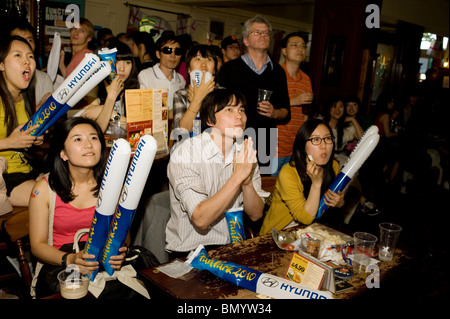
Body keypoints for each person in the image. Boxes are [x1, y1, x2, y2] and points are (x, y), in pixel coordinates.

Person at [28, 117, 127, 298]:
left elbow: (120, 234)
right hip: (61, 264)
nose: (88, 144)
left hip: (102, 265)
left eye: (94, 138)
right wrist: (70, 259)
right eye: (78, 139)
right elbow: (37, 246)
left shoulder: (114, 186)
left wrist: (118, 252)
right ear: (63, 153)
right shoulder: (43, 189)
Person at [166, 88, 268, 257]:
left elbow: (256, 214)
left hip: (233, 246)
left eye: (241, 110)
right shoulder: (187, 154)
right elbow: (201, 219)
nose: (239, 116)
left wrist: (247, 182)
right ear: (209, 120)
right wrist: (238, 177)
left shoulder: (245, 152)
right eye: (229, 109)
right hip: (192, 251)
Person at [218, 15, 290, 174]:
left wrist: (274, 112)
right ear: (246, 40)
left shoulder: (277, 71)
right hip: (234, 139)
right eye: (257, 32)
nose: (263, 36)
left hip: (266, 139)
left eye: (266, 33)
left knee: (261, 190)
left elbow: (286, 112)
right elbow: (216, 108)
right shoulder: (230, 69)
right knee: (231, 186)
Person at [259, 119, 344, 235]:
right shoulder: (288, 173)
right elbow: (305, 218)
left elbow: (336, 202)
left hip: (313, 232)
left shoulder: (333, 166)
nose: (323, 146)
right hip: (279, 235)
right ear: (303, 146)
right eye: (316, 140)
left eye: (328, 138)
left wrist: (339, 202)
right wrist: (316, 183)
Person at [0, 36, 45, 207]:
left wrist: (33, 139)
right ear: (1, 65)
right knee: (52, 199)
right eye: (18, 55)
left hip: (26, 169)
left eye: (30, 56)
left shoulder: (24, 97)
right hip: (4, 177)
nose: (26, 61)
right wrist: (10, 142)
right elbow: (12, 140)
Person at [274, 32, 313, 176]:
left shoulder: (306, 79)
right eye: (295, 45)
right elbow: (266, 107)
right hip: (274, 145)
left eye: (303, 46)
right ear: (284, 51)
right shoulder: (274, 74)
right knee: (268, 189)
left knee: (287, 191)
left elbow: (305, 115)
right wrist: (293, 101)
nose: (300, 49)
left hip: (295, 146)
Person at [80, 40, 139, 133]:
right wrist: (111, 97)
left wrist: (112, 113)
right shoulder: (94, 88)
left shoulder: (136, 89)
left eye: (127, 62)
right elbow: (96, 131)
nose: (122, 68)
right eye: (117, 62)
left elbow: (137, 129)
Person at [172, 44, 218, 136]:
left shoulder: (223, 94)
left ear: (214, 70)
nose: (203, 64)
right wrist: (197, 100)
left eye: (209, 59)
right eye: (197, 59)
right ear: (189, 69)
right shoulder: (181, 95)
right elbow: (181, 131)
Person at [138, 33, 185, 120]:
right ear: (158, 54)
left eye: (177, 51)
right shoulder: (145, 76)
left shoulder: (181, 80)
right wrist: (167, 114)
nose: (173, 55)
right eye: (167, 50)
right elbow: (141, 110)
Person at [8, 18, 53, 106]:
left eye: (29, 40)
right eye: (19, 39)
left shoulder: (44, 79)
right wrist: (37, 111)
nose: (25, 44)